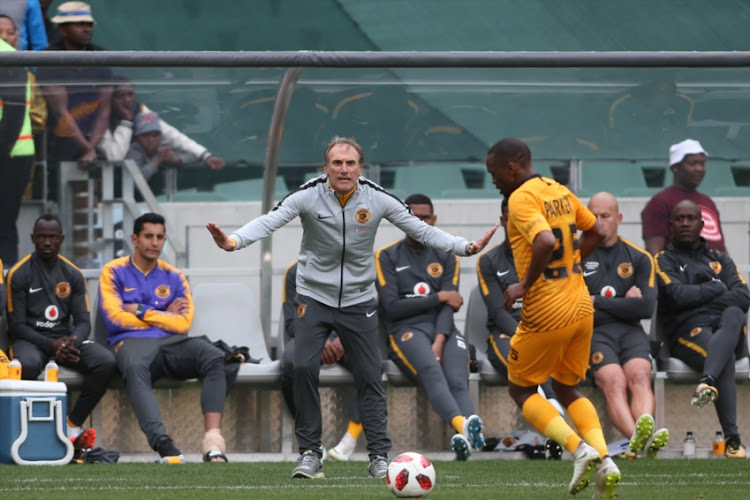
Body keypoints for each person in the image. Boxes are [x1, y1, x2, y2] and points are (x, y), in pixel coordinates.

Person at [207, 136, 497, 479]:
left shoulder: (377, 198)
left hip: (359, 301)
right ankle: (310, 453)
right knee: (301, 368)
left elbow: (419, 228)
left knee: (370, 375)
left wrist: (465, 247)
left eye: (350, 163)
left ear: (360, 168)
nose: (343, 169)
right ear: (325, 167)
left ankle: (378, 457)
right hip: (313, 297)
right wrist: (234, 241)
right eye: (336, 163)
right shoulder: (307, 194)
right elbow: (271, 219)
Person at [485, 138, 620, 498]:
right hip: (581, 305)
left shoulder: (521, 197)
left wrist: (524, 285)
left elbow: (544, 241)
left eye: (494, 172)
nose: (493, 180)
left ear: (511, 167)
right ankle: (605, 459)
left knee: (521, 387)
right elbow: (598, 231)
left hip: (547, 309)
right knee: (566, 386)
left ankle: (579, 450)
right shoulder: (558, 189)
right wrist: (573, 261)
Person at [99, 212, 231, 463]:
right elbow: (114, 319)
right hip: (130, 342)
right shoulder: (113, 271)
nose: (155, 242)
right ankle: (162, 443)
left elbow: (183, 323)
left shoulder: (174, 276)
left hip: (171, 343)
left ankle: (213, 443)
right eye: (148, 236)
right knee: (136, 365)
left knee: (213, 355)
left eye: (160, 237)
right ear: (134, 239)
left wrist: (140, 310)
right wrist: (163, 314)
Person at [376, 193, 486, 461]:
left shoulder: (448, 255)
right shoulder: (386, 256)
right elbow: (391, 307)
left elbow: (451, 306)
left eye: (425, 217)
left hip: (443, 330)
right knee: (432, 371)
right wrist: (437, 297)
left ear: (433, 219)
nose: (419, 222)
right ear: (402, 219)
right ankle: (465, 427)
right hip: (405, 331)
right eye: (413, 216)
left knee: (458, 378)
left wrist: (439, 340)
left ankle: (466, 436)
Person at [5, 214, 116, 450]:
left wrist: (70, 344)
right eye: (42, 237)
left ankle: (71, 425)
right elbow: (17, 326)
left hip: (66, 340)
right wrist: (51, 346)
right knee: (27, 364)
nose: (47, 242)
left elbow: (84, 321)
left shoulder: (73, 274)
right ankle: (30, 432)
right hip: (31, 340)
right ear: (33, 239)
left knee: (105, 362)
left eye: (52, 237)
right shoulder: (19, 273)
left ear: (61, 239)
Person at [655, 200, 748, 459]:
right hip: (688, 333)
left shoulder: (721, 260)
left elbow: (743, 296)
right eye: (679, 218)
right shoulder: (663, 260)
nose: (685, 223)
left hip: (726, 326)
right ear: (671, 224)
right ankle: (733, 441)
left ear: (701, 224)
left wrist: (699, 297)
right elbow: (675, 295)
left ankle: (707, 382)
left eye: (691, 218)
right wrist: (717, 288)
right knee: (723, 353)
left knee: (734, 313)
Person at [583, 192, 669, 458]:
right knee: (615, 381)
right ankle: (640, 442)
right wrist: (624, 303)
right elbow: (576, 309)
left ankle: (636, 443)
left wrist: (596, 300)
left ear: (618, 218)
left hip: (632, 333)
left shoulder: (640, 257)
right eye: (593, 217)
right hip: (593, 333)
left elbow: (645, 308)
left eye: (605, 216)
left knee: (640, 377)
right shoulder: (574, 256)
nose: (599, 222)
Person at [476, 197, 564, 416]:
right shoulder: (488, 261)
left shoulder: (548, 256)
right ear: (502, 221)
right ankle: (553, 411)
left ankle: (558, 423)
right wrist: (527, 338)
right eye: (510, 220)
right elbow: (498, 312)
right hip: (507, 334)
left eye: (520, 220)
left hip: (544, 330)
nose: (515, 226)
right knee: (524, 360)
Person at [280, 260, 362, 462]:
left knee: (372, 364)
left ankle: (349, 440)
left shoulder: (352, 266)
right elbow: (291, 323)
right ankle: (311, 441)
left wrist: (344, 338)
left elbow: (364, 314)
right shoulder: (294, 271)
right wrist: (321, 340)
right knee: (290, 364)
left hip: (345, 336)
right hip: (308, 335)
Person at [36, 1, 112, 168]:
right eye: (79, 25)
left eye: (89, 25)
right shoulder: (49, 59)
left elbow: (104, 110)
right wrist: (88, 150)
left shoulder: (101, 57)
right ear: (63, 30)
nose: (86, 29)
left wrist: (91, 149)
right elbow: (60, 112)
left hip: (93, 141)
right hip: (55, 145)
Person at [99, 77, 225, 173]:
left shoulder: (140, 110)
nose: (127, 100)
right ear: (110, 98)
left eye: (130, 94)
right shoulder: (99, 117)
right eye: (120, 96)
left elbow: (173, 136)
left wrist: (206, 156)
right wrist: (126, 121)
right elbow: (114, 158)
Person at [641, 139, 727, 255]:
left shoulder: (708, 202)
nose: (699, 169)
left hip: (715, 271)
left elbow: (720, 247)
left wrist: (729, 271)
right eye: (693, 163)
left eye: (702, 164)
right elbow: (654, 254)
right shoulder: (660, 202)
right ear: (675, 167)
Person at [0, 31, 35, 267]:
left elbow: (13, 111)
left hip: (10, 153)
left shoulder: (5, 54)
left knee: (3, 225)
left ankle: (5, 290)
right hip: (9, 150)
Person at [123, 111, 211, 181]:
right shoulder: (133, 151)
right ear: (136, 138)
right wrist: (157, 160)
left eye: (155, 135)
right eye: (145, 136)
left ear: (161, 136)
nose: (151, 140)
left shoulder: (163, 146)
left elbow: (194, 155)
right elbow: (135, 181)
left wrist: (176, 159)